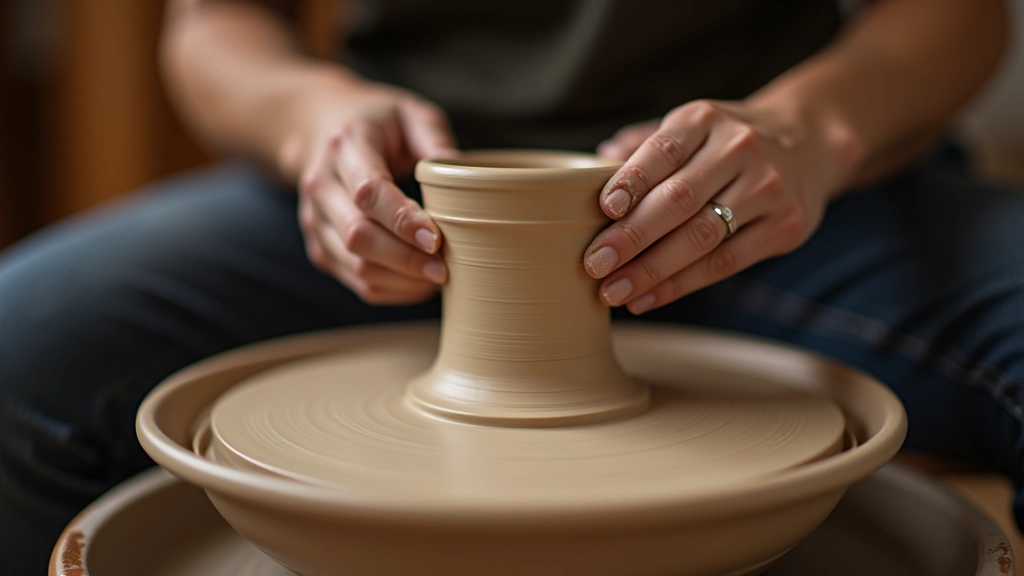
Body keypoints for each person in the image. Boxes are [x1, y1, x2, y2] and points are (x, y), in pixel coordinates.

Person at [1, 0, 1020, 572]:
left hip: (772, 188)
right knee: (18, 348)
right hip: (406, 199)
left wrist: (813, 130)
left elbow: (954, 17)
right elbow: (213, 26)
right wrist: (310, 121)